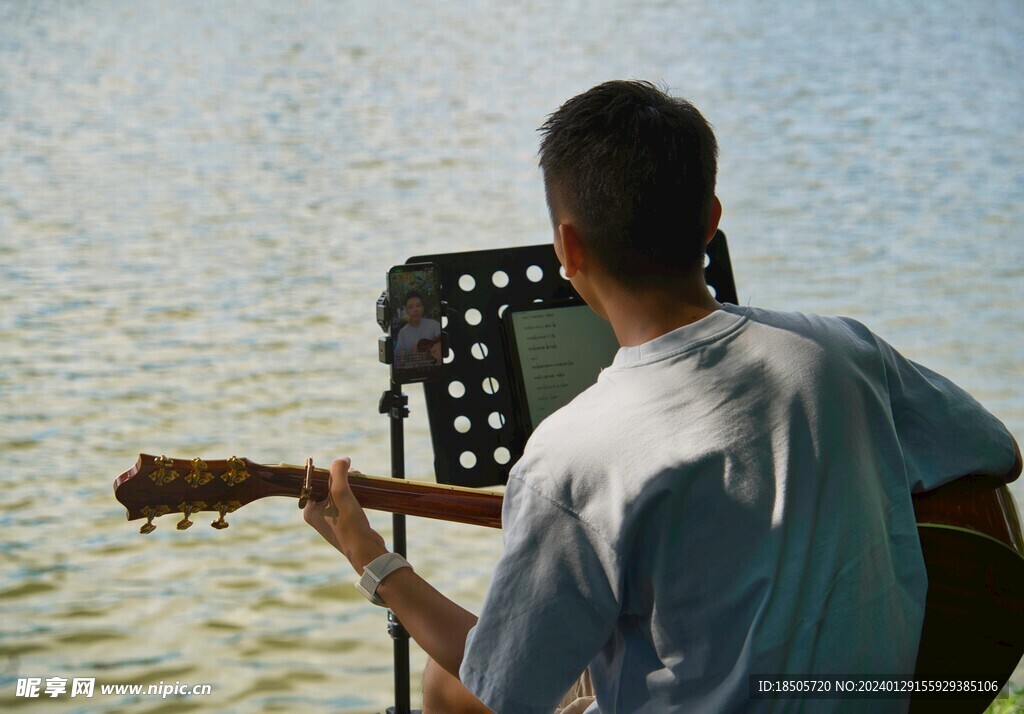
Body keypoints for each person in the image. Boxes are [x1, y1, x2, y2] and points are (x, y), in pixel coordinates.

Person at [304, 80, 1022, 713]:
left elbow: (504, 687)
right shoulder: (846, 351)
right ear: (711, 221)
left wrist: (370, 555)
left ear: (568, 248)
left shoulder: (568, 459)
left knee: (445, 685)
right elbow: (996, 452)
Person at [394, 291, 442, 366]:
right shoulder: (402, 333)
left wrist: (441, 345)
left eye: (418, 305)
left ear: (422, 308)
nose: (415, 310)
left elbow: (445, 340)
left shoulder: (434, 325)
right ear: (406, 311)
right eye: (411, 307)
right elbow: (398, 358)